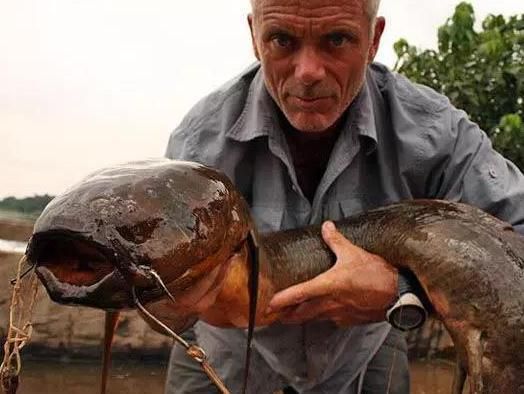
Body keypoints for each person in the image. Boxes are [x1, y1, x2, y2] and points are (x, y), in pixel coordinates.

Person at [164, 0, 524, 392]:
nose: (308, 72)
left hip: (367, 345)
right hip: (227, 349)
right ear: (255, 36)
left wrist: (399, 290)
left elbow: (515, 246)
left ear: (374, 39)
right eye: (282, 40)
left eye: (337, 39)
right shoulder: (199, 144)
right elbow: (168, 280)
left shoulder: (436, 135)